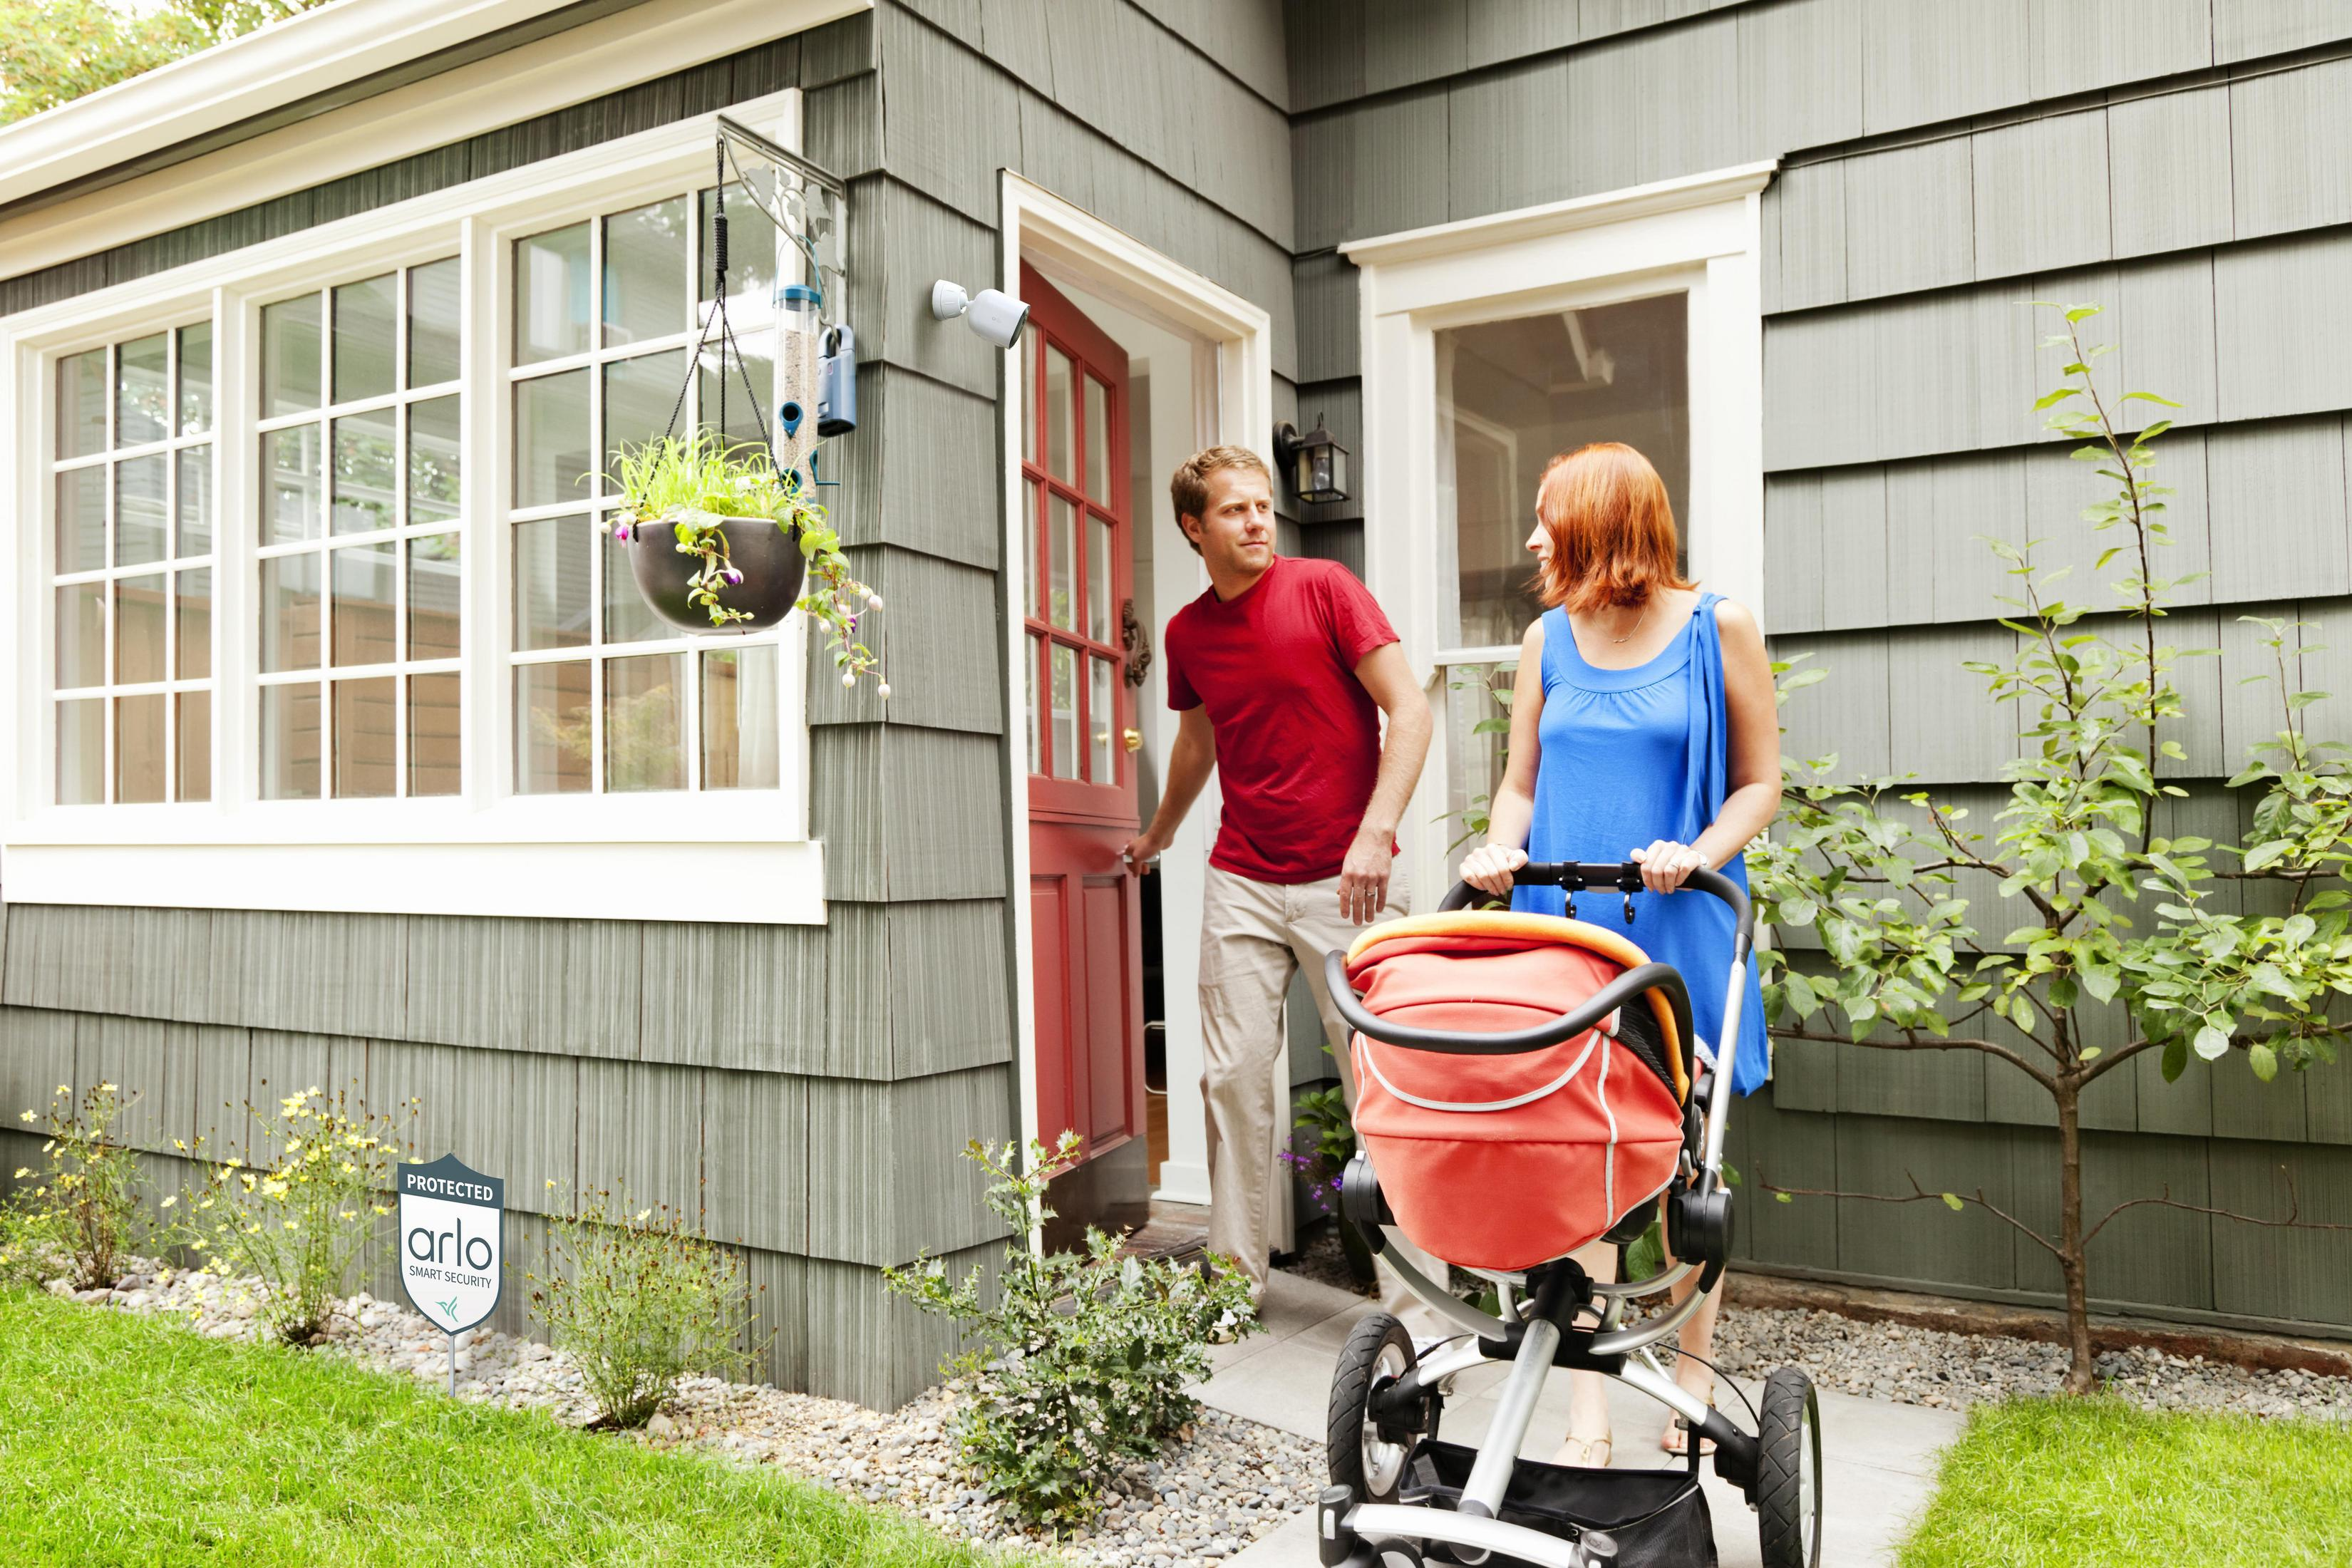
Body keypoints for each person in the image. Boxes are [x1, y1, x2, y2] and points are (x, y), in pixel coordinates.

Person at [1458, 441, 1779, 1465]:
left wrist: (1698, 851)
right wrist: (1499, 847)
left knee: (1692, 1165)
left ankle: (1689, 1390)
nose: (1532, 537)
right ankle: (1586, 1414)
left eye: (1548, 517)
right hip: (1567, 921)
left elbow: (1761, 786)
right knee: (1578, 1151)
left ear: (1601, 524)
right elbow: (1522, 781)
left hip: (1679, 923)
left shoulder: (1717, 627)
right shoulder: (1546, 639)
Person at [1122, 444, 1451, 1339]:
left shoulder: (1325, 589)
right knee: (1229, 1076)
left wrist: (1377, 832)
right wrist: (1160, 834)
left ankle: (1419, 1302)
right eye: (1235, 510)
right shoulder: (1188, 636)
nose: (1259, 520)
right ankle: (1234, 1281)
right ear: (1195, 527)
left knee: (1378, 1079)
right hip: (1242, 875)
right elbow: (1199, 743)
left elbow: (1409, 710)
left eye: (1264, 506)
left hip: (1351, 880)